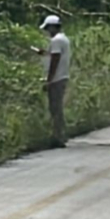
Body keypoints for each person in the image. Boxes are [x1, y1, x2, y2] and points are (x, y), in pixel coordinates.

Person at [35, 15, 71, 148]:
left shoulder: (56, 40)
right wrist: (43, 53)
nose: (47, 31)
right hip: (62, 77)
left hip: (57, 78)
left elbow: (55, 60)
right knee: (57, 108)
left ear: (52, 27)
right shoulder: (64, 39)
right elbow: (54, 55)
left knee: (55, 108)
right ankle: (60, 135)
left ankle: (58, 137)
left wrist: (49, 80)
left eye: (47, 28)